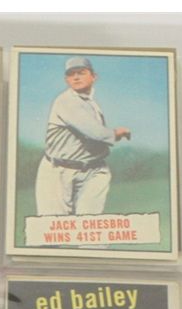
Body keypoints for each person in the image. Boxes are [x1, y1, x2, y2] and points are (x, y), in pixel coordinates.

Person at [35, 55, 131, 217]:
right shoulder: (66, 101)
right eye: (71, 74)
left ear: (94, 76)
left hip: (93, 170)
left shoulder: (90, 102)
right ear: (66, 80)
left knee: (89, 227)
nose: (76, 77)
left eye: (81, 72)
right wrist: (117, 133)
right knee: (53, 227)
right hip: (58, 171)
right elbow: (94, 132)